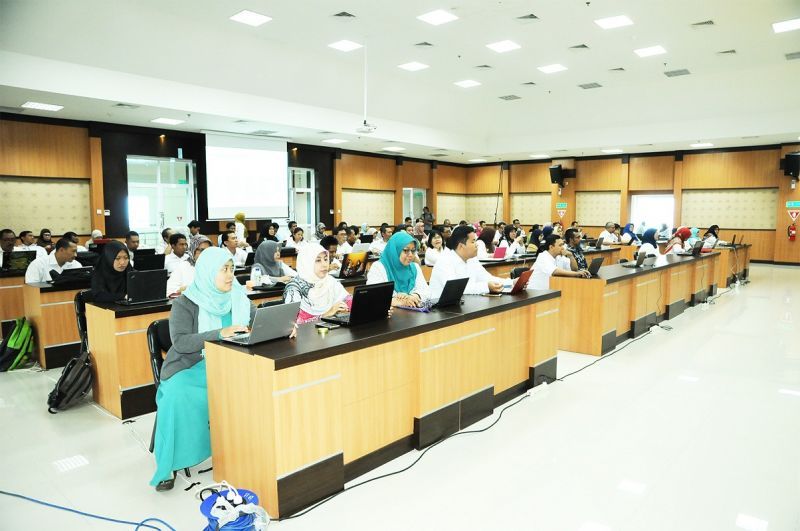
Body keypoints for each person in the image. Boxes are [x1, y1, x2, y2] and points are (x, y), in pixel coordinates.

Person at [151, 247, 254, 491]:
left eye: (232, 269)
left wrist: (284, 327)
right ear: (208, 271)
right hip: (190, 366)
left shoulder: (238, 296)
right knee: (176, 395)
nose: (230, 275)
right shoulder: (185, 303)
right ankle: (169, 464)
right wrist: (220, 333)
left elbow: (257, 322)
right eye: (224, 270)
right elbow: (181, 342)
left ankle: (244, 449)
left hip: (229, 364)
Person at [429, 225, 504, 299]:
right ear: (461, 246)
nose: (477, 244)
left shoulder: (472, 259)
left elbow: (487, 278)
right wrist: (486, 286)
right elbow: (456, 289)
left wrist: (509, 282)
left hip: (465, 302)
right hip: (440, 305)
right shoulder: (444, 261)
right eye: (473, 241)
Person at [283, 243, 352, 324]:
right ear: (306, 263)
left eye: (326, 259)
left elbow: (349, 301)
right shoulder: (294, 289)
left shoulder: (330, 281)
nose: (325, 264)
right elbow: (292, 325)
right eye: (318, 260)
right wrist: (326, 314)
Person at [367, 232, 430, 307]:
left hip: (413, 312)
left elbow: (426, 291)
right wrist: (396, 301)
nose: (410, 255)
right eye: (406, 250)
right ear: (395, 250)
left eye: (413, 251)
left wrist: (415, 296)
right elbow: (373, 296)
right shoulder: (378, 267)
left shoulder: (414, 267)